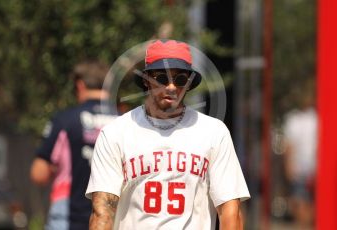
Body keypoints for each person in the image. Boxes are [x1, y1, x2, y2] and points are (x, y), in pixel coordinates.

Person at [85, 40, 250, 230]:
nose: (171, 87)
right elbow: (103, 211)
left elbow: (230, 210)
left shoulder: (214, 132)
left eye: (180, 79)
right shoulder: (115, 133)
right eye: (162, 78)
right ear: (147, 80)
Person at [30, 60, 116, 230]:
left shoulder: (65, 120)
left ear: (80, 85)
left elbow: (38, 173)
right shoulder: (125, 121)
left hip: (68, 213)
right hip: (111, 213)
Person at [283, 87, 317, 229]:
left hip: (315, 168)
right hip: (299, 168)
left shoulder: (316, 118)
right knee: (299, 202)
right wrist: (289, 166)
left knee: (309, 203)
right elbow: (289, 145)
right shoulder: (293, 119)